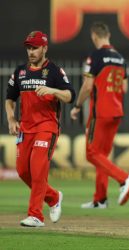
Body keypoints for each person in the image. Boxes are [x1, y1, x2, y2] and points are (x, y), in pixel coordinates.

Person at [5, 31, 75, 227]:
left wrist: (53, 90)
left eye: (35, 48)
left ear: (44, 48)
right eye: (28, 48)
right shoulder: (20, 72)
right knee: (22, 171)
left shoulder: (54, 71)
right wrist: (11, 119)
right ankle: (53, 197)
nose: (31, 52)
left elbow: (70, 96)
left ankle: (36, 215)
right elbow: (10, 98)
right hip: (25, 129)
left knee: (37, 169)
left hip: (47, 127)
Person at [70, 22, 129, 208]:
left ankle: (124, 179)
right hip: (116, 111)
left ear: (94, 36)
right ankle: (100, 199)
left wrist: (76, 106)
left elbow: (87, 86)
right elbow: (124, 87)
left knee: (91, 154)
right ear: (108, 35)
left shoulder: (96, 56)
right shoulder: (120, 58)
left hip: (100, 112)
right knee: (102, 156)